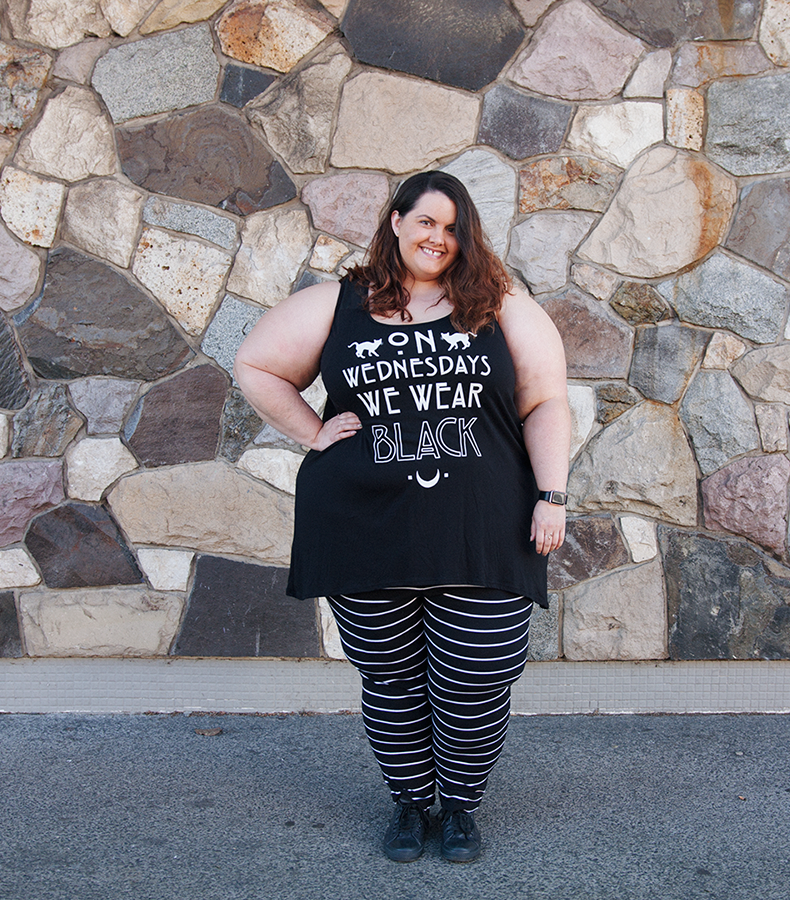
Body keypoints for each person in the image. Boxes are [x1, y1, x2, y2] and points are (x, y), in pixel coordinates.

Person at [234, 171, 569, 863]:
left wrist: (552, 494)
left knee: (475, 678)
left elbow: (546, 403)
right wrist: (312, 432)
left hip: (484, 528)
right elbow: (257, 364)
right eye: (426, 222)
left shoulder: (500, 306)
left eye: (452, 228)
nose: (437, 238)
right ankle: (411, 805)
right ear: (396, 222)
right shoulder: (339, 304)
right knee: (390, 680)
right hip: (364, 525)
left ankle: (460, 808)